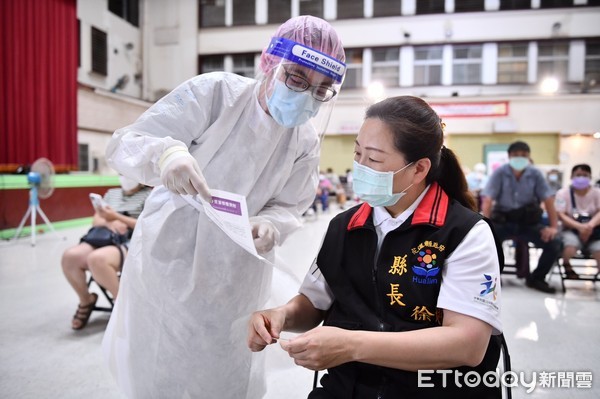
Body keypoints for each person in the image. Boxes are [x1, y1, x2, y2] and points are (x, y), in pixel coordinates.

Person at [102, 16, 346, 399]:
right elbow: (125, 142)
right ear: (270, 63)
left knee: (227, 365)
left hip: (237, 271)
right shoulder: (214, 93)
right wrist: (165, 155)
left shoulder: (305, 139)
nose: (306, 96)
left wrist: (271, 224)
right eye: (297, 79)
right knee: (161, 360)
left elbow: (291, 204)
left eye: (321, 89)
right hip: (170, 259)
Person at [248, 96, 503, 398]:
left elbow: (468, 345)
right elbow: (315, 301)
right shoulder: (346, 226)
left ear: (419, 169)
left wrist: (351, 345)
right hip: (351, 388)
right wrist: (281, 315)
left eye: (374, 159)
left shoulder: (464, 233)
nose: (360, 167)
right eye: (357, 153)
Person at [61, 176, 151, 330]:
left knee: (98, 259)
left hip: (129, 242)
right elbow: (96, 220)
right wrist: (112, 222)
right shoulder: (111, 193)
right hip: (103, 237)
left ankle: (121, 304)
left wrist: (115, 216)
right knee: (70, 257)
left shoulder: (149, 195)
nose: (124, 176)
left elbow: (146, 225)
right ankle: (86, 300)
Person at [481, 141, 561, 293]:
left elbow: (548, 200)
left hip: (527, 222)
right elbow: (488, 199)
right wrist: (487, 225)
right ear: (509, 156)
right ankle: (492, 277)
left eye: (523, 155)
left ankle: (537, 278)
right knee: (486, 243)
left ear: (529, 157)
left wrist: (553, 227)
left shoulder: (535, 174)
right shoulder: (500, 173)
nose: (519, 158)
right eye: (516, 155)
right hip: (503, 220)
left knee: (555, 243)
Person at [554, 164, 600, 278]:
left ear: (590, 177)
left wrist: (589, 226)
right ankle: (567, 267)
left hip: (594, 230)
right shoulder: (562, 193)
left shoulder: (597, 193)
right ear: (571, 176)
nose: (581, 178)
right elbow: (560, 214)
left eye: (585, 175)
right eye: (578, 175)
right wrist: (580, 227)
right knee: (570, 245)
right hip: (570, 229)